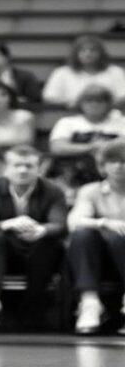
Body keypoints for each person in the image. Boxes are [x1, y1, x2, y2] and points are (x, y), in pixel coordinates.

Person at [0, 145, 67, 332]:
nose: (23, 170)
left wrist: (40, 230)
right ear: (5, 169)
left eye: (29, 166)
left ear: (40, 169)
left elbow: (60, 225)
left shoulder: (53, 191)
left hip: (40, 254)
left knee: (50, 242)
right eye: (17, 165)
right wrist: (8, 223)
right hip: (4, 256)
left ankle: (34, 307)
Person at [67, 139, 125, 334]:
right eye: (113, 161)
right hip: (98, 260)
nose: (118, 166)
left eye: (124, 161)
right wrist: (104, 222)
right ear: (103, 166)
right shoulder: (90, 191)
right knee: (83, 234)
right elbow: (74, 222)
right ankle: (90, 304)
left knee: (120, 238)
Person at [43, 35, 125, 107]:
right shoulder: (61, 72)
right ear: (75, 54)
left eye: (93, 50)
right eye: (82, 51)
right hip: (70, 115)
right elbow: (50, 97)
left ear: (101, 54)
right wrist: (72, 104)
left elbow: (122, 96)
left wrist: (102, 107)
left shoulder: (116, 72)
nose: (88, 54)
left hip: (111, 117)